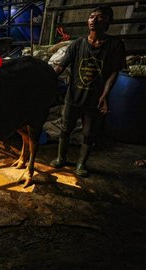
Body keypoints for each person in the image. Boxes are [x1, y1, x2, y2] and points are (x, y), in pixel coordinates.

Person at [50, 6, 126, 177]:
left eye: (99, 17)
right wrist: (47, 80)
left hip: (94, 99)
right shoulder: (77, 44)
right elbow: (60, 66)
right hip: (74, 96)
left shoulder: (115, 45)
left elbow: (114, 72)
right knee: (65, 129)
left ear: (108, 21)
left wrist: (105, 95)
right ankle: (61, 158)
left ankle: (81, 164)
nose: (93, 20)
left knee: (88, 133)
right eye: (91, 17)